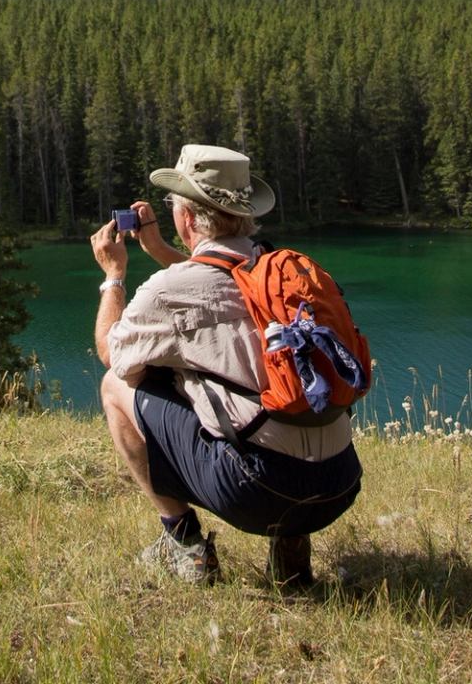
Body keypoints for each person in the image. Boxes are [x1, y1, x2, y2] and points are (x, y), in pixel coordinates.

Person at [91, 144, 362, 588]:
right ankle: (292, 556)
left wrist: (113, 276)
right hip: (337, 485)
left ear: (188, 218)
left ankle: (185, 545)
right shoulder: (281, 270)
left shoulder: (169, 291)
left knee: (114, 385)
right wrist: (159, 249)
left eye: (174, 204)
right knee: (271, 396)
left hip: (260, 493)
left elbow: (112, 352)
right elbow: (218, 284)